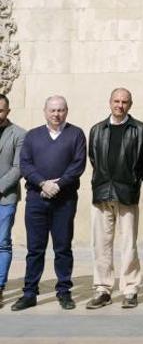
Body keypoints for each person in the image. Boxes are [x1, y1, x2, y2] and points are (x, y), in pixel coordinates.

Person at [12, 96, 85, 311]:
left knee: (63, 248)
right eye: (52, 110)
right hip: (36, 200)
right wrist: (43, 184)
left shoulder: (76, 134)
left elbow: (78, 164)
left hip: (64, 201)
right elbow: (25, 164)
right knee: (35, 249)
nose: (56, 114)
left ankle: (64, 291)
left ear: (67, 111)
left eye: (61, 110)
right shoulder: (33, 136)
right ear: (45, 111)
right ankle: (29, 293)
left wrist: (59, 185)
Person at [86, 88, 143, 310]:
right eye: (116, 101)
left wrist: (133, 180)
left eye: (124, 102)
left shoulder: (141, 130)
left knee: (128, 244)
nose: (120, 105)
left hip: (127, 194)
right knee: (101, 244)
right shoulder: (96, 130)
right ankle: (103, 289)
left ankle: (130, 288)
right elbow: (94, 159)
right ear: (109, 102)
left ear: (130, 104)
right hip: (102, 193)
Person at [0, 94, 25, 308]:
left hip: (5, 197)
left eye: (1, 110)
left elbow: (18, 168)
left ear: (8, 110)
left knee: (2, 243)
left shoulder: (19, 134)